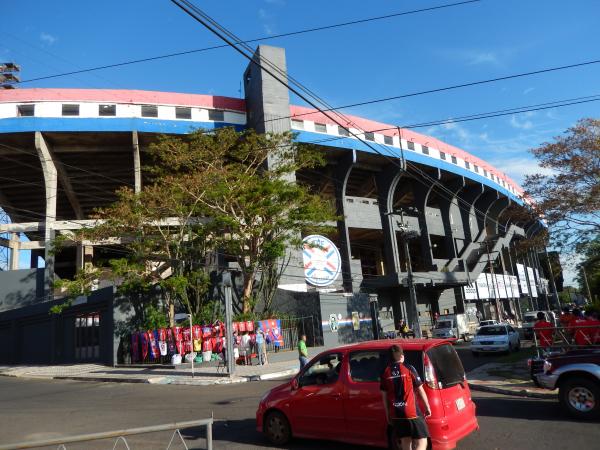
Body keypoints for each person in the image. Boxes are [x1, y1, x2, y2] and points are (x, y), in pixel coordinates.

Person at [380, 345, 431, 450]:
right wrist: (427, 407)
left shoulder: (385, 372)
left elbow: (384, 397)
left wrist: (387, 414)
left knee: (405, 441)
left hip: (395, 413)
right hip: (411, 412)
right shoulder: (408, 368)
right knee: (422, 440)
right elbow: (420, 390)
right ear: (402, 356)